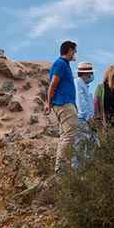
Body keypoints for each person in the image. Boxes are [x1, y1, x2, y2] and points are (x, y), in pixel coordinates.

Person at [44, 40, 78, 171]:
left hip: (65, 103)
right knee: (70, 135)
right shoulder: (60, 64)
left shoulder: (65, 64)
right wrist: (48, 103)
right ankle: (61, 169)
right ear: (69, 50)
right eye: (74, 50)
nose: (75, 53)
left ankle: (62, 167)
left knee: (65, 135)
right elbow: (53, 84)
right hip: (63, 103)